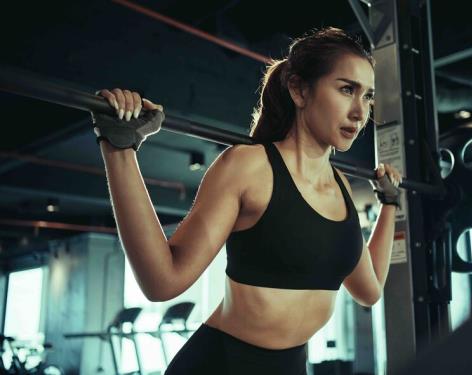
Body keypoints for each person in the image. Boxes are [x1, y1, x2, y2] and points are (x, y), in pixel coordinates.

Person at [92, 27, 402, 374]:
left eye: (368, 96)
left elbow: (369, 289)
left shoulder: (342, 187)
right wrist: (120, 149)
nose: (360, 112)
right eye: (347, 89)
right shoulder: (249, 166)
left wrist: (389, 204)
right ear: (299, 90)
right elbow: (163, 280)